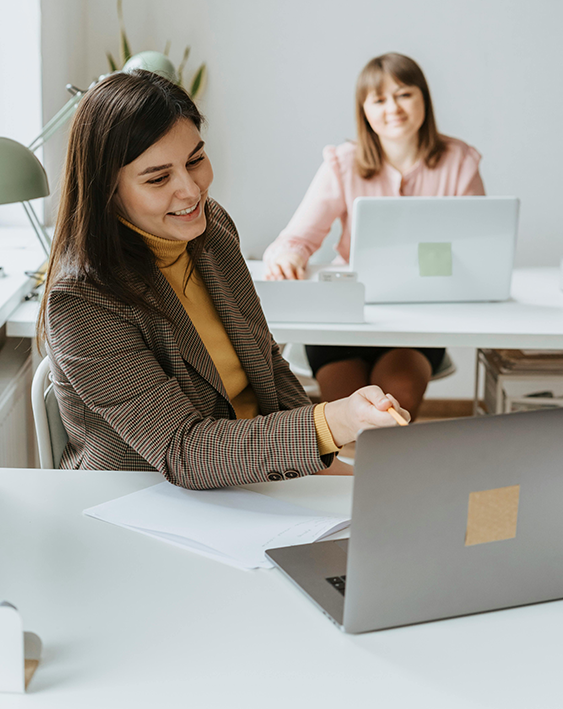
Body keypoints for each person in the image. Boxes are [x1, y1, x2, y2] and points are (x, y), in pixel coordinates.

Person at [38, 70, 409, 490]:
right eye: (158, 178)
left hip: (249, 477)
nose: (191, 191)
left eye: (195, 159)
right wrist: (332, 421)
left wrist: (323, 455)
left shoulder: (210, 229)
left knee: (393, 504)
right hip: (148, 495)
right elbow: (182, 451)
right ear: (106, 189)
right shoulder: (83, 300)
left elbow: (266, 363)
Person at [263, 53, 485, 417]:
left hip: (418, 320)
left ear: (423, 99)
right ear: (364, 110)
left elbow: (476, 247)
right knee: (351, 417)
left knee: (392, 412)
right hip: (347, 317)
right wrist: (289, 255)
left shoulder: (458, 161)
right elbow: (294, 240)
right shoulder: (343, 163)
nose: (392, 108)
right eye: (379, 99)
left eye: (403, 95)